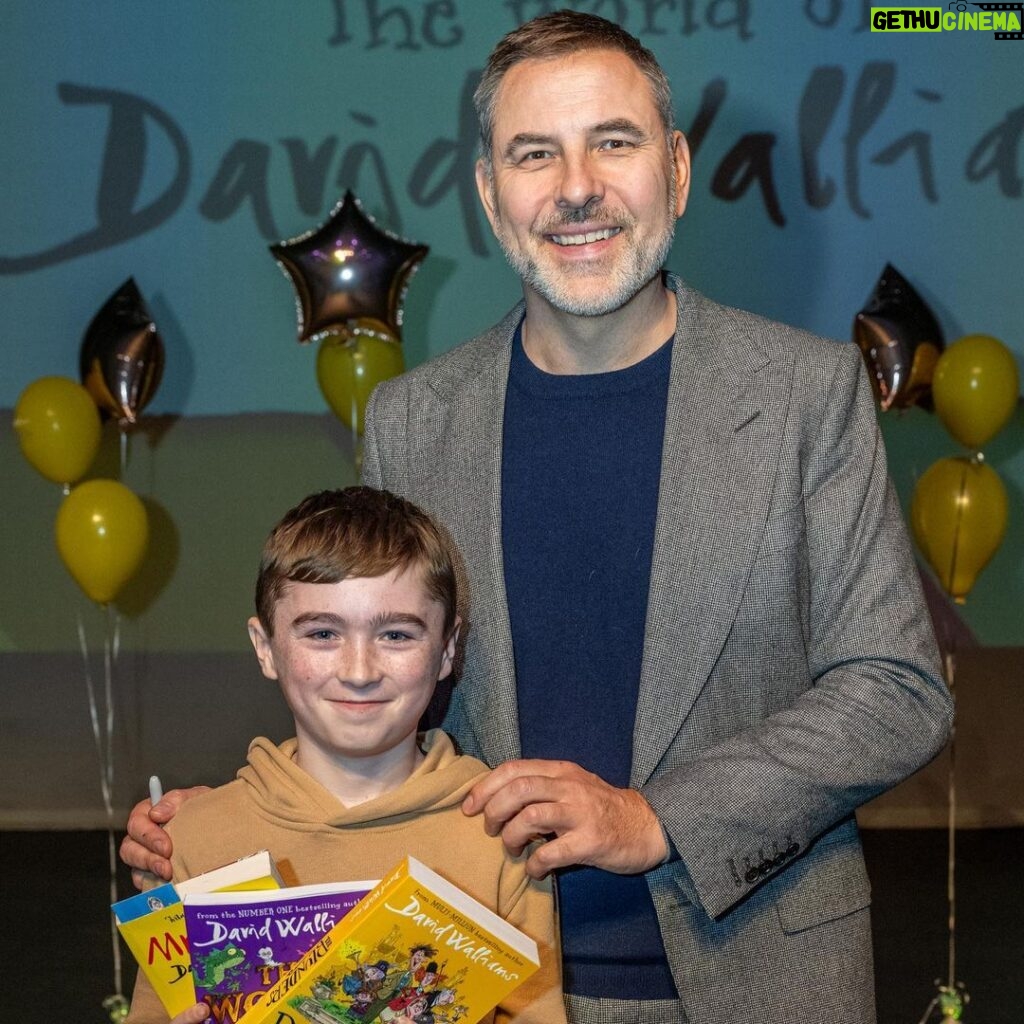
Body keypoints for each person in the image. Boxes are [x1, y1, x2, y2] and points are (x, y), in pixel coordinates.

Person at [123, 12, 953, 1024]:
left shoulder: (806, 393)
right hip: (476, 975)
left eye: (613, 141)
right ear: (488, 194)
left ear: (677, 169)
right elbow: (390, 689)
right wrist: (242, 825)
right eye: (533, 153)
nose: (575, 188)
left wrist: (656, 818)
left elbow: (895, 688)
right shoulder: (412, 419)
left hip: (760, 979)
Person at [123, 487, 565, 1024]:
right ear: (265, 647)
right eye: (324, 633)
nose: (359, 671)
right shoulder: (193, 838)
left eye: (397, 634)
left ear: (447, 650)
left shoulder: (503, 838)